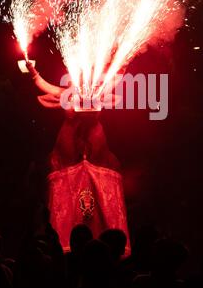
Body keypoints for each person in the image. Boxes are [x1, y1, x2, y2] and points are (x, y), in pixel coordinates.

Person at [24, 61, 130, 253]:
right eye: (71, 100)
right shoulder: (60, 150)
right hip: (69, 151)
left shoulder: (104, 153)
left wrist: (121, 68)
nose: (80, 104)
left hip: (95, 150)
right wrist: (32, 71)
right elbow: (44, 86)